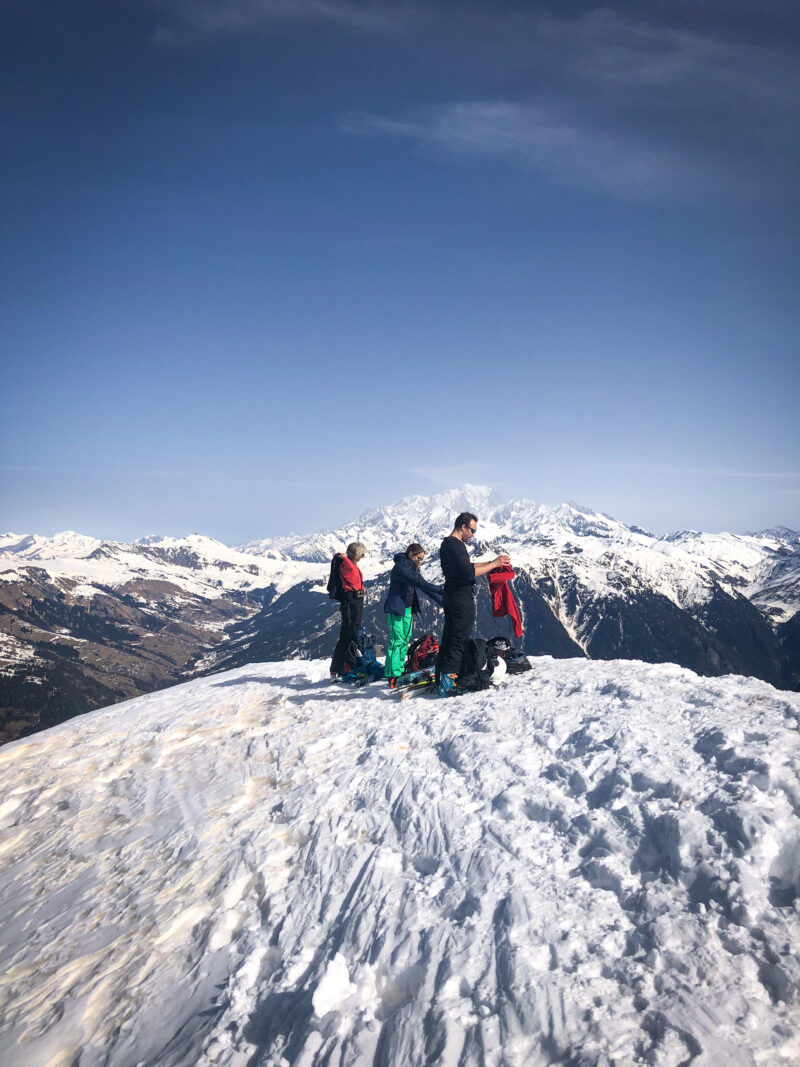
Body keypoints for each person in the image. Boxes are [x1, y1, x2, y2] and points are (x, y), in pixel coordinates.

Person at [437, 512, 510, 694]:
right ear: (463, 526)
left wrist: (493, 562)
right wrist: (493, 565)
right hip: (461, 599)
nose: (473, 535)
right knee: (458, 640)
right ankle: (448, 684)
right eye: (471, 530)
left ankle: (442, 676)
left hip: (451, 596)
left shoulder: (447, 544)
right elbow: (468, 572)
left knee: (449, 637)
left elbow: (466, 567)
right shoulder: (456, 545)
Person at [383, 543, 443, 686]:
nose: (420, 561)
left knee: (405, 640)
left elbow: (424, 586)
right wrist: (440, 589)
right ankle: (392, 675)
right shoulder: (401, 567)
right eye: (418, 558)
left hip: (407, 608)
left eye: (422, 559)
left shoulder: (412, 568)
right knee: (397, 640)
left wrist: (444, 602)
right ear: (410, 553)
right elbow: (418, 583)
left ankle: (400, 670)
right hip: (396, 608)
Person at [330, 542, 366, 679]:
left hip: (355, 601)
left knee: (353, 632)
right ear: (356, 554)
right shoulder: (347, 564)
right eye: (361, 553)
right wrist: (344, 556)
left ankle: (348, 664)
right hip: (351, 603)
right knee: (348, 633)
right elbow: (344, 560)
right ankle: (338, 667)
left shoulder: (352, 564)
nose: (363, 556)